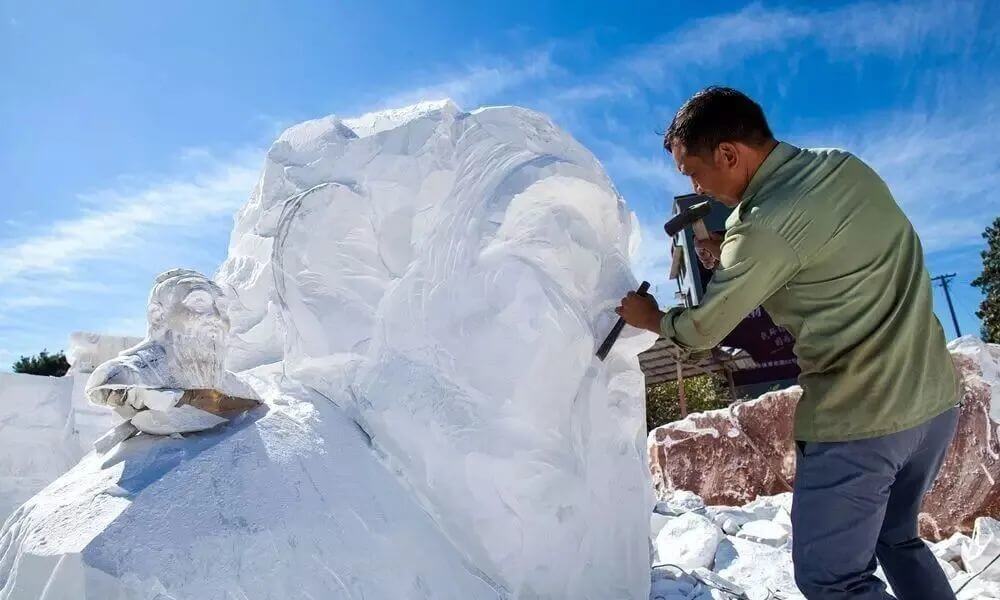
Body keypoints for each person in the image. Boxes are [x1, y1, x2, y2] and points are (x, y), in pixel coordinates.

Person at [616, 86, 961, 600]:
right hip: (935, 402)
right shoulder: (845, 167)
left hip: (864, 419)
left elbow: (702, 330)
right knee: (897, 536)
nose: (698, 186)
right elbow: (828, 265)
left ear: (729, 154)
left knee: (833, 580)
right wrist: (734, 261)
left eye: (693, 172)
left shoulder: (760, 227)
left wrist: (654, 318)